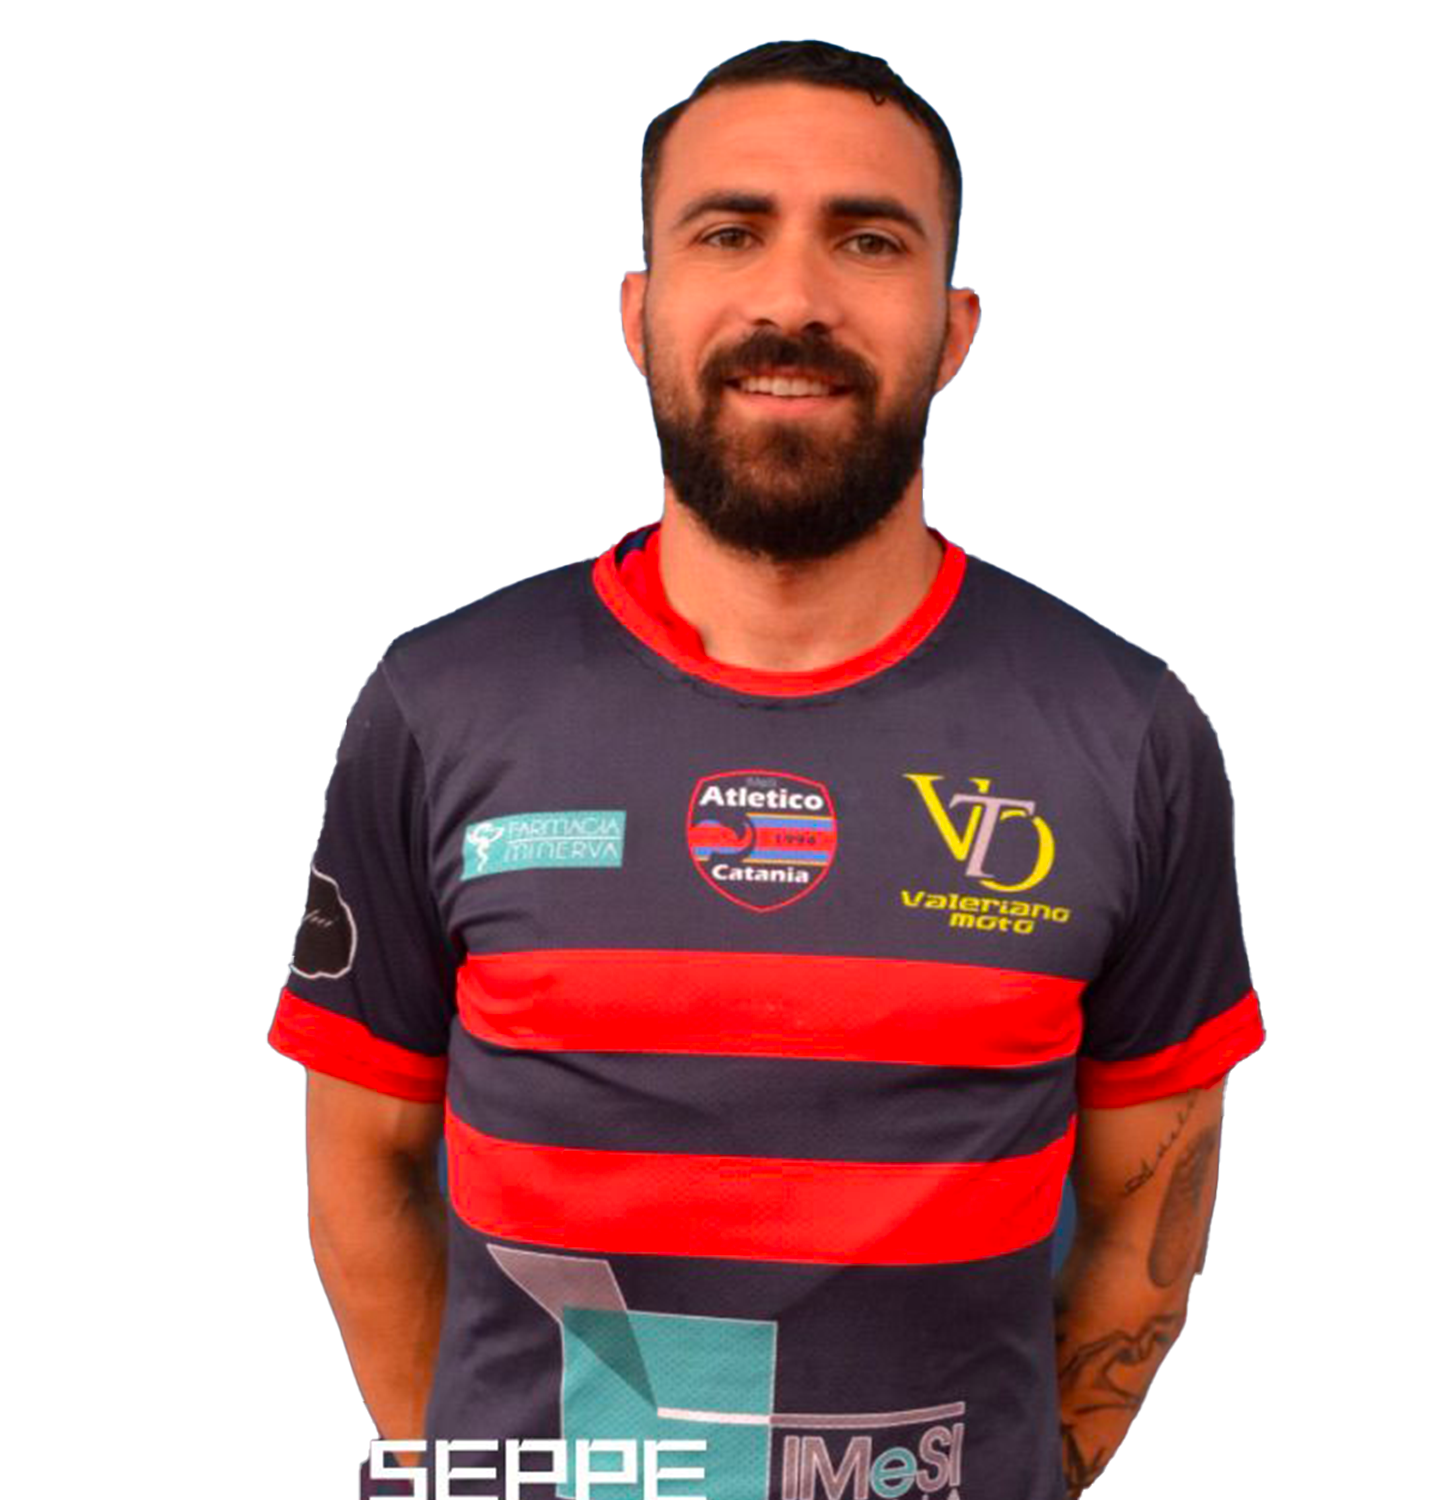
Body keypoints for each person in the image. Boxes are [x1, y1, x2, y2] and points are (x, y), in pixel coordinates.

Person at [269, 39, 1265, 1500]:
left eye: (870, 241)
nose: (793, 299)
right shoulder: (439, 706)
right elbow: (360, 1171)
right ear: (639, 312)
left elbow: (1144, 1231)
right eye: (729, 233)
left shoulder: (1126, 735)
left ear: (956, 327)